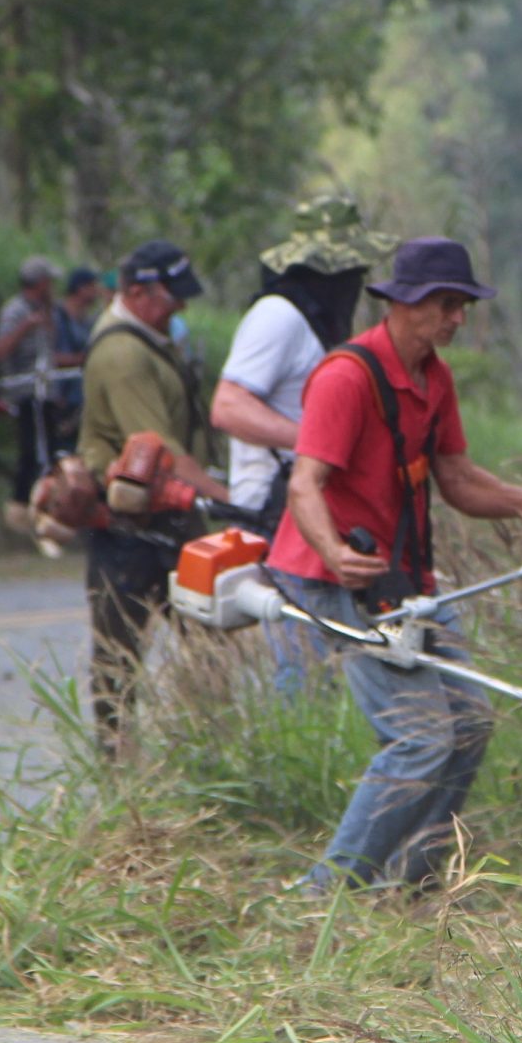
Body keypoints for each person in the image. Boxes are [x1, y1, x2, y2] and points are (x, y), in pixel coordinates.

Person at [267, 237, 522, 892]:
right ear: (403, 303)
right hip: (334, 575)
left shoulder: (435, 376)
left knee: (470, 724)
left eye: (462, 304)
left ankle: (410, 881)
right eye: (446, 304)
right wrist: (334, 552)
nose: (457, 317)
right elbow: (304, 483)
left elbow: (456, 478)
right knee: (420, 737)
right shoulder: (346, 376)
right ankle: (324, 894)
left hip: (403, 580)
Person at [210, 194, 378, 693]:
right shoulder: (278, 316)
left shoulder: (315, 319)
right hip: (273, 506)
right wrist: (317, 445)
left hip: (301, 506)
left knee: (326, 662)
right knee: (301, 669)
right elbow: (228, 407)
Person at [76, 239, 230, 747]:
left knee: (208, 639)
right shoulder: (123, 353)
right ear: (139, 292)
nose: (181, 306)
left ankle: (212, 754)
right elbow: (161, 450)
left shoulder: (149, 339)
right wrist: (228, 502)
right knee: (118, 660)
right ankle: (118, 773)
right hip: (130, 533)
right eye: (172, 296)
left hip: (166, 523)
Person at [0, 255, 62, 524]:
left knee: (50, 451)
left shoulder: (47, 311)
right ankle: (19, 512)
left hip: (47, 393)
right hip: (25, 392)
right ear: (40, 283)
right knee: (32, 452)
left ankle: (48, 511)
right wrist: (26, 327)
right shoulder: (16, 310)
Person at [50, 265, 103, 453]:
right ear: (81, 288)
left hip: (80, 399)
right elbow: (49, 356)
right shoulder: (56, 317)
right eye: (92, 286)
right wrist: (80, 359)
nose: (97, 291)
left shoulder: (86, 320)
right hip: (60, 397)